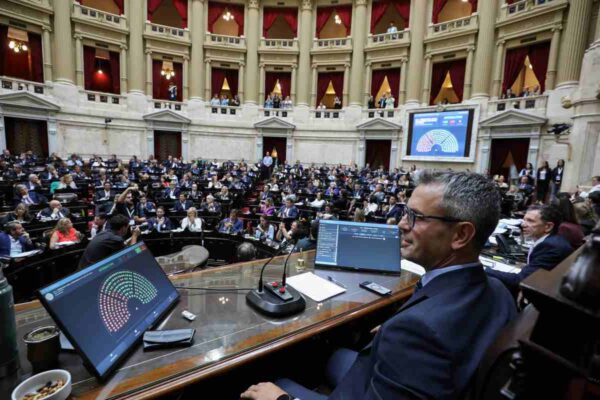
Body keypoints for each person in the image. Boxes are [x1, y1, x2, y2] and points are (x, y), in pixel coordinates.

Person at [242, 170, 516, 400]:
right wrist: (396, 331)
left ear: (461, 235)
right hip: (390, 371)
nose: (402, 224)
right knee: (329, 354)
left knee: (274, 381)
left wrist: (282, 399)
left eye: (416, 217)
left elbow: (428, 332)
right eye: (405, 212)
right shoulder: (499, 291)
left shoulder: (418, 330)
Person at [487, 205, 573, 293]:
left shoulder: (550, 247)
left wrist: (485, 270)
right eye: (524, 219)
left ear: (548, 226)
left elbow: (520, 280)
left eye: (530, 221)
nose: (523, 224)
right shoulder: (550, 240)